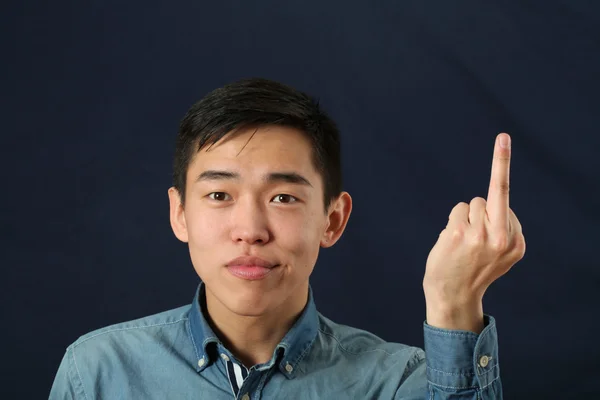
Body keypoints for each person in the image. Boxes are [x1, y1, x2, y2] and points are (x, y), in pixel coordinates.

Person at [49, 78, 526, 399]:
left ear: (332, 220)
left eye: (282, 198)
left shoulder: (399, 381)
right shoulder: (97, 372)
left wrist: (455, 306)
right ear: (179, 214)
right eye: (219, 194)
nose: (251, 230)